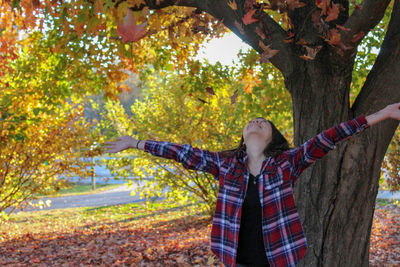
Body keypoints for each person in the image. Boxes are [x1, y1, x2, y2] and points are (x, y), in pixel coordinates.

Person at [103, 103, 400, 267]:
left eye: (263, 122)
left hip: (281, 259)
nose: (255, 123)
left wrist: (382, 114)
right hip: (236, 259)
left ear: (273, 137)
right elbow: (183, 153)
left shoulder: (287, 163)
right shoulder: (226, 165)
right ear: (244, 136)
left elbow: (330, 136)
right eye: (251, 121)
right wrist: (137, 143)